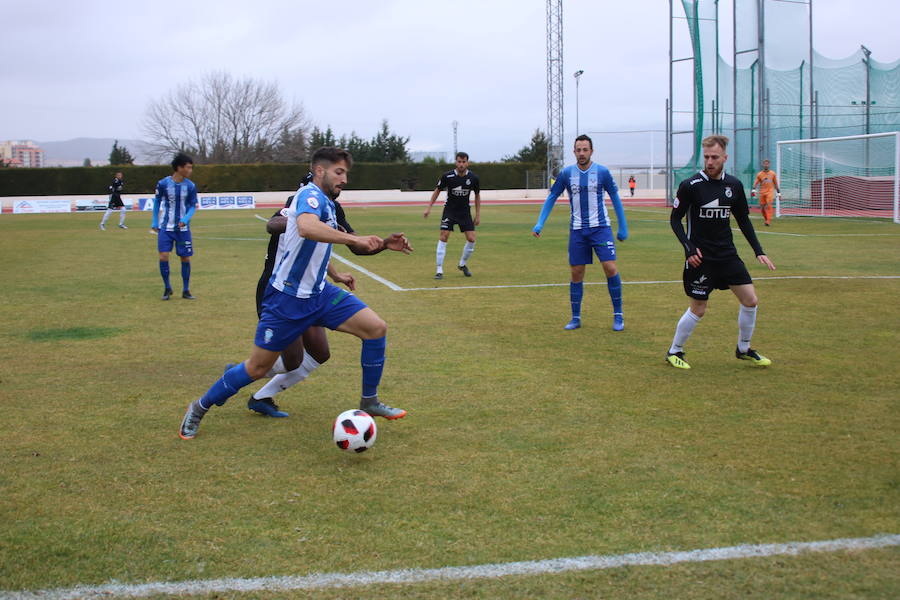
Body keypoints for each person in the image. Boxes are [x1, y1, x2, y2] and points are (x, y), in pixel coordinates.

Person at [179, 147, 407, 440]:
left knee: (376, 328)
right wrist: (353, 236)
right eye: (339, 172)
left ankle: (369, 401)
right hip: (286, 300)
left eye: (346, 174)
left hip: (319, 294)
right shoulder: (308, 196)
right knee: (257, 367)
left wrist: (383, 244)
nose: (344, 179)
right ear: (320, 171)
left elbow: (329, 245)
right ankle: (199, 407)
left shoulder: (327, 203)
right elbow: (307, 228)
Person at [247, 173, 412, 418]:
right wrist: (299, 220)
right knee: (292, 359)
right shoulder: (297, 202)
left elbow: (355, 245)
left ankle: (260, 396)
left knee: (320, 353)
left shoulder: (334, 208)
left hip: (310, 291)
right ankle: (244, 373)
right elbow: (271, 225)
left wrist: (385, 244)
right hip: (279, 291)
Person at [665, 135, 776, 370]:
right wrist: (688, 248)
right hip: (701, 259)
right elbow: (675, 220)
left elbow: (743, 221)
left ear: (725, 157)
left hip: (727, 255)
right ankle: (675, 351)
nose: (710, 161)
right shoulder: (690, 186)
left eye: (714, 157)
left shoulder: (733, 186)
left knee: (750, 300)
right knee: (699, 309)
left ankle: (743, 349)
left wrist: (758, 250)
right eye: (706, 157)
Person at [532, 134, 629, 331]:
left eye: (585, 149)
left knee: (610, 268)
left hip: (600, 228)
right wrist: (540, 223)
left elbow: (615, 198)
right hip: (577, 231)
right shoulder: (567, 173)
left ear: (591, 151)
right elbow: (552, 197)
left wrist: (623, 226)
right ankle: (575, 317)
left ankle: (618, 315)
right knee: (576, 272)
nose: (582, 153)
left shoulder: (601, 172)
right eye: (578, 149)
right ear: (574, 151)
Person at [423, 152, 481, 279]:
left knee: (471, 239)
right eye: (459, 162)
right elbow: (437, 191)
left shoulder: (473, 178)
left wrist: (478, 215)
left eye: (464, 162)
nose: (461, 164)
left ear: (467, 162)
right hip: (450, 211)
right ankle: (439, 270)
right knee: (444, 236)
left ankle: (462, 264)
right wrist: (429, 208)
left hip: (465, 212)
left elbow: (477, 196)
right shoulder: (447, 176)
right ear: (456, 162)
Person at [152, 153, 197, 300]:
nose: (190, 170)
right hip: (166, 227)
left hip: (183, 229)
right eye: (188, 167)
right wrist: (154, 222)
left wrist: (186, 218)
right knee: (163, 255)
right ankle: (167, 288)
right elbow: (157, 202)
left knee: (185, 258)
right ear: (179, 168)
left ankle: (186, 289)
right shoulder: (163, 184)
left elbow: (192, 206)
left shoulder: (190, 186)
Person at [752, 158, 780, 226]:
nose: (766, 165)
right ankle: (766, 220)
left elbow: (776, 184)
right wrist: (753, 190)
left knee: (769, 204)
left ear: (769, 165)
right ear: (763, 165)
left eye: (767, 164)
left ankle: (768, 221)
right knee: (762, 208)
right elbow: (756, 182)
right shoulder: (760, 174)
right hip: (762, 193)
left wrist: (779, 193)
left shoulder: (773, 174)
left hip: (770, 192)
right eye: (765, 164)